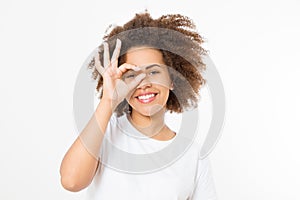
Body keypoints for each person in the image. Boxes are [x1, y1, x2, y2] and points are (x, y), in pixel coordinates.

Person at [60, 11, 218, 200]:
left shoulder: (192, 156)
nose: (143, 84)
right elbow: (71, 182)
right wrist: (108, 101)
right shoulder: (103, 134)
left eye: (153, 72)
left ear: (172, 80)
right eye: (132, 75)